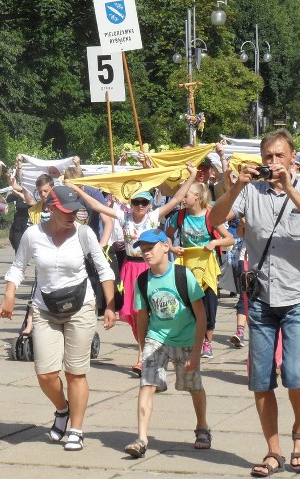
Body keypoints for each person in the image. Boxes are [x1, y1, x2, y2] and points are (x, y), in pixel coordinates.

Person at [209, 129, 300, 477]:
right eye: (267, 157)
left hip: (298, 297)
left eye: (279, 156)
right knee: (261, 380)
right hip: (261, 298)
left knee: (294, 373)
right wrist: (236, 185)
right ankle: (273, 450)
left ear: (293, 158)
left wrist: (290, 188)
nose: (273, 162)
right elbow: (215, 220)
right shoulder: (251, 191)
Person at [0, 185, 116, 451]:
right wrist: (9, 293)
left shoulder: (84, 234)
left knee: (75, 373)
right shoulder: (32, 235)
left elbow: (104, 270)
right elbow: (18, 266)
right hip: (45, 309)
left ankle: (76, 428)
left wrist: (110, 305)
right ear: (51, 208)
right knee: (45, 373)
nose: (73, 215)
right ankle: (62, 410)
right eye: (67, 211)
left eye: (76, 211)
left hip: (81, 307)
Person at [67, 163, 194, 375]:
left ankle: (143, 357)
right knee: (133, 314)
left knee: (148, 312)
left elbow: (177, 199)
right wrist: (78, 189)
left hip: (149, 267)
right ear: (131, 203)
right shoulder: (123, 216)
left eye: (144, 202)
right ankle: (146, 351)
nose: (140, 206)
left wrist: (191, 176)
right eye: (136, 202)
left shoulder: (153, 217)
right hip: (129, 268)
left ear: (149, 203)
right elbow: (97, 207)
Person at [123, 230, 209, 459]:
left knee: (193, 386)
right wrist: (142, 350)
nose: (146, 252)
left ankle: (202, 428)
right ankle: (141, 438)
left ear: (165, 246)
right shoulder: (143, 280)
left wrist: (197, 352)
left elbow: (201, 315)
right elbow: (142, 317)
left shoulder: (183, 275)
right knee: (147, 384)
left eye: (151, 247)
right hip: (156, 337)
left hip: (186, 338)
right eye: (143, 248)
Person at [166, 181, 234, 359]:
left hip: (207, 269)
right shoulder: (179, 216)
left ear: (197, 196)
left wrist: (215, 242)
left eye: (186, 195)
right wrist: (173, 248)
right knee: (185, 307)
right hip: (186, 267)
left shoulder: (211, 216)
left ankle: (207, 343)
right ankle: (187, 341)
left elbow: (230, 239)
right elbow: (165, 236)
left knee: (209, 306)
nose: (182, 199)